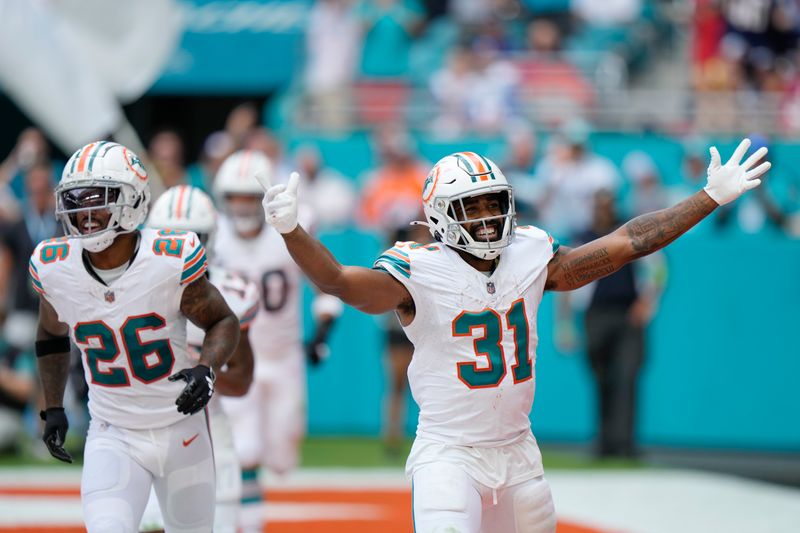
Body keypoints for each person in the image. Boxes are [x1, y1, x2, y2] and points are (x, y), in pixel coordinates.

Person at [257, 140, 770, 532]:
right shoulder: (417, 270)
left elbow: (626, 244)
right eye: (471, 208)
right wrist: (292, 232)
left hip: (519, 453)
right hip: (449, 454)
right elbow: (339, 283)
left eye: (492, 203)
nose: (486, 219)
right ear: (439, 216)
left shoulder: (530, 253)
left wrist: (708, 198)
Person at [30, 142, 240, 533]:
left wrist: (206, 368)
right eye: (74, 199)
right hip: (114, 432)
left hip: (182, 430)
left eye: (96, 199)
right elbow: (50, 331)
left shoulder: (167, 260)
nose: (83, 213)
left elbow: (223, 320)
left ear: (131, 201)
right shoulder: (54, 266)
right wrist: (54, 405)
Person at [211, 150, 342, 533]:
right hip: (237, 359)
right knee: (245, 451)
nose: (242, 205)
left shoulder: (290, 229)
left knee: (283, 458)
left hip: (284, 357)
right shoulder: (215, 236)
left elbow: (325, 282)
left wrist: (321, 332)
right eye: (235, 196)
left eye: (250, 196)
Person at [140, 185, 259, 533]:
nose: (179, 249)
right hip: (145, 429)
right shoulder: (131, 288)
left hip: (207, 432)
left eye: (190, 238)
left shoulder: (231, 295)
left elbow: (242, 382)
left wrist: (203, 369)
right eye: (170, 238)